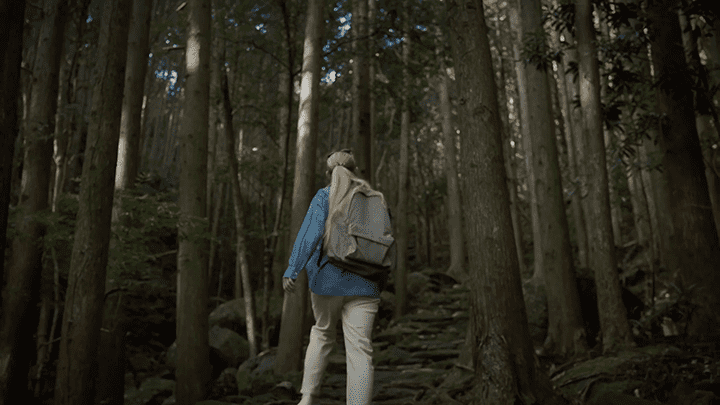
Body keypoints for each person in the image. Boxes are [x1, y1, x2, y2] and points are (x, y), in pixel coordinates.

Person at [282, 149, 382, 405]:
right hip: (367, 283)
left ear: (329, 174)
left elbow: (309, 236)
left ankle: (307, 399)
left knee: (322, 333)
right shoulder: (374, 199)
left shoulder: (325, 196)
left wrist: (293, 269)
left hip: (327, 281)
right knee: (360, 349)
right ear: (356, 171)